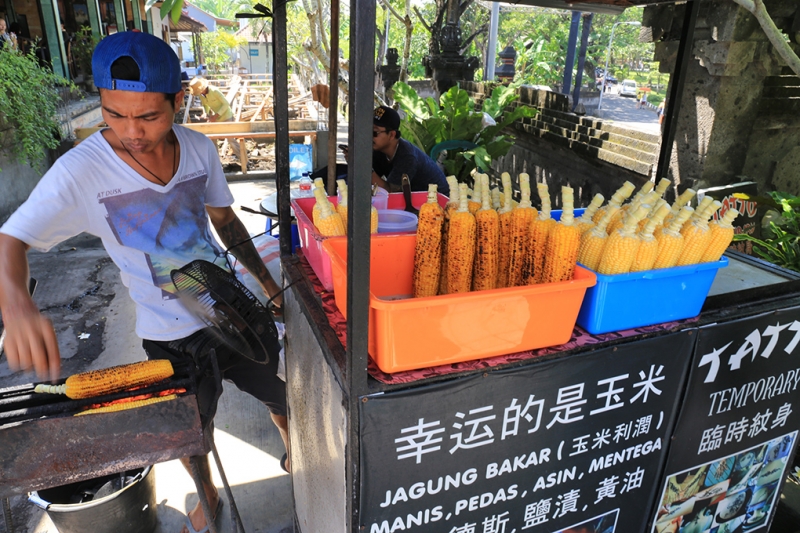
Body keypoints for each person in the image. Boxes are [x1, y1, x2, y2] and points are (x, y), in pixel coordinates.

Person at [0, 31, 290, 533]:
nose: (130, 131)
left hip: (229, 303)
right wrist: (18, 306)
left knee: (279, 395)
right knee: (190, 432)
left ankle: (293, 451)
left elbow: (225, 222)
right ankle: (209, 494)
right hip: (170, 332)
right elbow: (12, 239)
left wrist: (265, 285)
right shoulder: (80, 172)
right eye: (114, 114)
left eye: (148, 116)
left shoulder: (199, 149)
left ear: (177, 101)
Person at [369, 106, 449, 196]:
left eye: (374, 132)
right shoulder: (379, 148)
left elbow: (390, 193)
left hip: (437, 202)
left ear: (391, 135)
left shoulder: (407, 156)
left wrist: (365, 169)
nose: (368, 135)